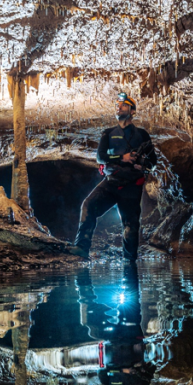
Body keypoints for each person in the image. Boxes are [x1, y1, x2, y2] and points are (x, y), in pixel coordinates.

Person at [73, 92, 157, 261]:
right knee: (88, 206)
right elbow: (100, 157)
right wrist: (122, 158)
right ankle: (81, 249)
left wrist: (143, 165)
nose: (119, 108)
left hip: (132, 186)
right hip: (111, 182)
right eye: (117, 106)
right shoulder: (108, 133)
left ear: (132, 111)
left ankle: (129, 263)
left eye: (124, 105)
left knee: (130, 227)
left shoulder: (142, 135)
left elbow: (153, 162)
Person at [77, 265, 155, 385]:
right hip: (132, 335)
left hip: (110, 339)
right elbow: (151, 366)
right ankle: (129, 266)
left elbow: (102, 369)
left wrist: (120, 371)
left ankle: (82, 275)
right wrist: (133, 370)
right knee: (130, 299)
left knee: (88, 318)